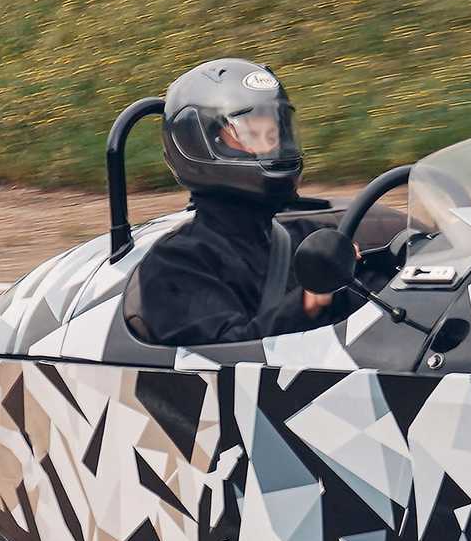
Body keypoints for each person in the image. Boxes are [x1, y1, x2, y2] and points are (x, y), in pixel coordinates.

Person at [135, 58, 336, 346]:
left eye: (273, 135)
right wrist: (306, 304)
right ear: (201, 143)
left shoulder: (306, 238)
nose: (270, 148)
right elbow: (223, 355)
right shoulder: (177, 263)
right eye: (251, 135)